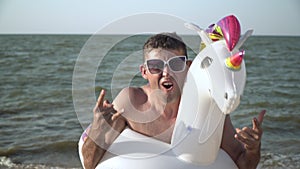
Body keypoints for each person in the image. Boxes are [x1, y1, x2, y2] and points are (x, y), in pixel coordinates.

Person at [81, 33, 266, 169]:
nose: (166, 73)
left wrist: (253, 149)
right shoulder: (130, 103)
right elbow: (90, 165)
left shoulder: (208, 110)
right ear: (144, 71)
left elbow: (242, 164)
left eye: (176, 64)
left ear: (189, 67)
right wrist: (97, 129)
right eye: (155, 66)